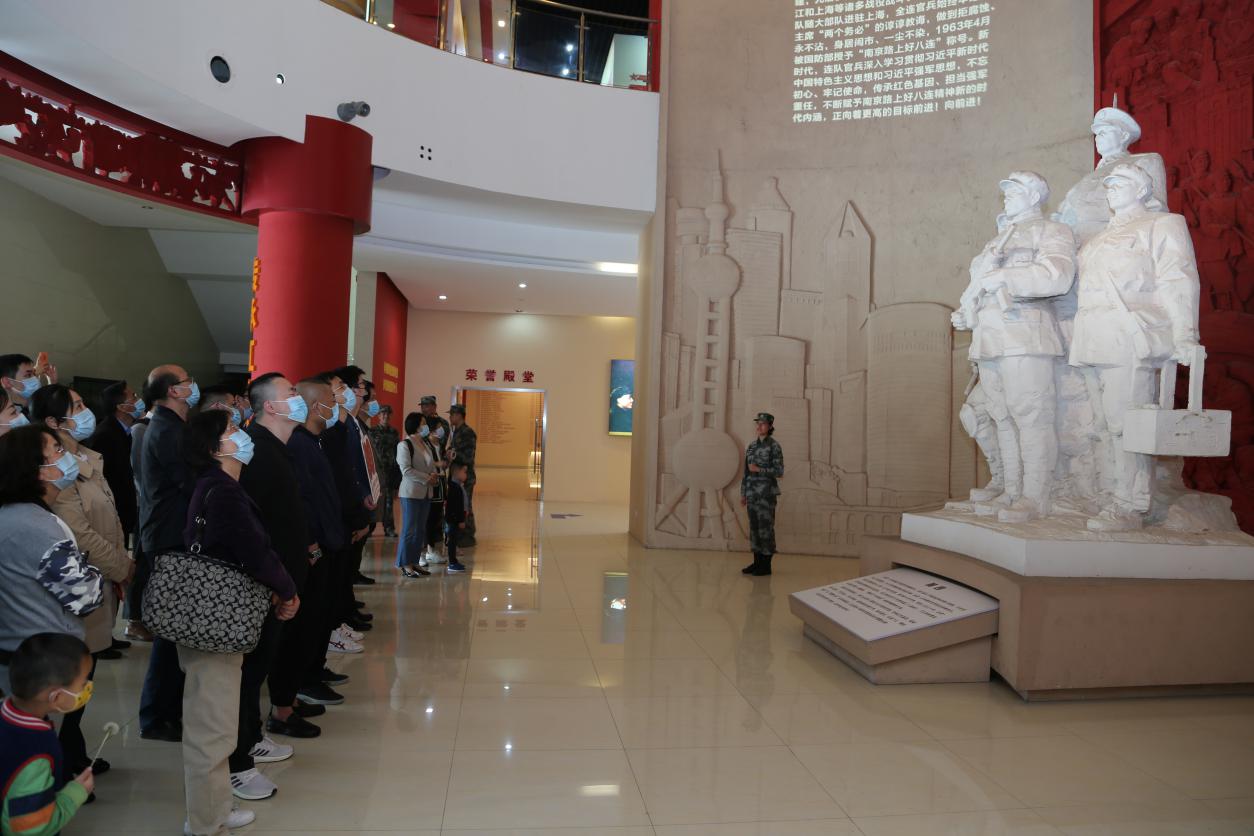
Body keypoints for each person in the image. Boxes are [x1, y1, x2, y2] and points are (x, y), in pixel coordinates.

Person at [180, 409, 297, 836]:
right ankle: (205, 821)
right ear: (214, 449)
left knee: (217, 722)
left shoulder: (221, 486)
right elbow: (254, 552)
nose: (241, 434)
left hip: (216, 619)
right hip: (216, 623)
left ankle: (214, 807)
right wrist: (287, 589)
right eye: (231, 430)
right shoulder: (222, 492)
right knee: (211, 727)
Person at [1070, 162, 1202, 531]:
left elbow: (1178, 279)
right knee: (1104, 424)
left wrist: (1186, 334)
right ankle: (1114, 491)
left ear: (1142, 190)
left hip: (1128, 335)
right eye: (1109, 185)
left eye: (1120, 183)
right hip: (1092, 336)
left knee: (1128, 423)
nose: (1110, 189)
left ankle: (1131, 505)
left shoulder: (1162, 224)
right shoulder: (1097, 239)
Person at [950, 172, 1077, 521]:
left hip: (1026, 336)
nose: (1007, 197)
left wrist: (1006, 276)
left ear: (1034, 197)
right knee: (1002, 418)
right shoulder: (997, 241)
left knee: (1031, 417)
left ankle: (1035, 497)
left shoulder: (1051, 231)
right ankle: (1012, 491)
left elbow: (1057, 276)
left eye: (1015, 192)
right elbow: (978, 289)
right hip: (989, 339)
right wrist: (967, 315)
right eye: (1006, 192)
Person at [28, 385, 134, 780]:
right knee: (68, 679)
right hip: (79, 589)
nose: (86, 411)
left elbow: (108, 518)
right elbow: (80, 534)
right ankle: (61, 764)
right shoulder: (55, 471)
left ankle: (73, 752)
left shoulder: (85, 459)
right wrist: (121, 567)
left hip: (99, 580)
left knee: (82, 678)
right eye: (77, 406)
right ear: (52, 422)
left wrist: (119, 564)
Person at [235, 373, 317, 792]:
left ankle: (251, 737)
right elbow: (256, 529)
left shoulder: (277, 449)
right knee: (248, 673)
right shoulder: (257, 451)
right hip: (263, 584)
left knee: (261, 666)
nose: (299, 399)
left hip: (280, 579)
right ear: (270, 406)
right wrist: (275, 583)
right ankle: (239, 760)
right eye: (291, 393)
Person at [0, 425, 104, 697]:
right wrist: (91, 570)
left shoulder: (12, 514)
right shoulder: (37, 527)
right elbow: (86, 597)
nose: (66, 454)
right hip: (41, 665)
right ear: (38, 470)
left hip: (20, 652)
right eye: (57, 450)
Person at [137, 365, 200, 743]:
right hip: (169, 537)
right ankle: (157, 715)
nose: (193, 386)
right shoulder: (166, 430)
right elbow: (191, 483)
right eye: (187, 381)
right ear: (174, 391)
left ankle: (167, 710)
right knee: (171, 630)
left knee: (175, 628)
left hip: (173, 535)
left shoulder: (174, 426)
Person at [289, 379, 355, 698]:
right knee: (310, 617)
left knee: (322, 613)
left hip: (329, 541)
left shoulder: (316, 441)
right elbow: (302, 501)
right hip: (315, 547)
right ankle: (303, 680)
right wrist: (312, 546)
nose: (336, 406)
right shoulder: (298, 444)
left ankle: (315, 668)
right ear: (317, 406)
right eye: (332, 400)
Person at [1, 633, 95, 836]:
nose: (87, 687)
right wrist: (74, 795)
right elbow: (32, 828)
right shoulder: (34, 754)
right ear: (56, 697)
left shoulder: (6, 715)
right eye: (82, 684)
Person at [331, 366, 380, 587]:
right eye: (360, 385)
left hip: (360, 498)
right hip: (348, 503)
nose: (365, 392)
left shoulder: (355, 423)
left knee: (349, 559)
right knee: (340, 564)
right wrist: (361, 494)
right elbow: (348, 467)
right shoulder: (340, 426)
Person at [87, 381, 141, 551]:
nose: (138, 400)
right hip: (111, 516)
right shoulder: (106, 435)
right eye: (133, 397)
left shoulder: (123, 432)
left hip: (122, 513)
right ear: (122, 407)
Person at [739, 413, 784, 577]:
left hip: (766, 494)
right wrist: (743, 493)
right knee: (754, 529)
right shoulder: (751, 446)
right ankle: (757, 562)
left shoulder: (774, 446)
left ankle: (766, 565)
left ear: (770, 426)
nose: (759, 426)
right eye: (758, 423)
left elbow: (779, 471)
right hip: (752, 494)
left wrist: (759, 469)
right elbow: (746, 472)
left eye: (763, 424)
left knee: (766, 529)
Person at [396, 412, 436, 578]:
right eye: (423, 422)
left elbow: (430, 465)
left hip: (425, 493)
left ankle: (414, 561)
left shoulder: (424, 443)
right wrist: (427, 478)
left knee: (420, 530)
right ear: (416, 425)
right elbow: (406, 470)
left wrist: (433, 475)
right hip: (411, 493)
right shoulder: (404, 445)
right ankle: (405, 563)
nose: (426, 426)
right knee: (409, 530)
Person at [419, 395, 450, 564]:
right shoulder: (420, 433)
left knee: (435, 517)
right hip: (426, 480)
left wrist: (445, 461)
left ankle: (431, 549)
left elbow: (442, 451)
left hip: (439, 479)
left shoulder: (440, 432)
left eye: (427, 405)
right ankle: (421, 552)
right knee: (424, 518)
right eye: (423, 405)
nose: (424, 408)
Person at [446, 403, 477, 546]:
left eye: (452, 415)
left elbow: (468, 457)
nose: (450, 417)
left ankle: (468, 534)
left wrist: (453, 455)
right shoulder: (457, 432)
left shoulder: (467, 433)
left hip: (465, 476)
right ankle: (459, 533)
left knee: (466, 505)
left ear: (459, 415)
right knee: (459, 505)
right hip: (456, 475)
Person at [368, 404, 400, 538]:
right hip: (375, 472)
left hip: (390, 471)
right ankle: (369, 528)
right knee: (374, 500)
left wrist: (398, 475)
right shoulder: (371, 432)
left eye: (387, 414)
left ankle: (389, 528)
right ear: (378, 415)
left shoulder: (394, 433)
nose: (385, 416)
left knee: (388, 502)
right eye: (382, 414)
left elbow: (398, 453)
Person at [444, 461, 470, 574]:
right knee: (452, 541)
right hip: (454, 520)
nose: (466, 475)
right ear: (456, 472)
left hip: (454, 519)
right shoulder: (454, 488)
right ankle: (452, 562)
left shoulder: (457, 486)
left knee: (454, 540)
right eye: (464, 472)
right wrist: (460, 520)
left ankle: (454, 561)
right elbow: (456, 507)